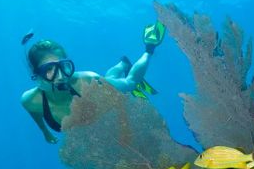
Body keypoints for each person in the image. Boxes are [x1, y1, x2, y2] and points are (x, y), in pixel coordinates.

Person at [20, 22, 166, 144]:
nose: (60, 76)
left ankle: (149, 49)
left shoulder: (87, 81)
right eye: (49, 69)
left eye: (64, 67)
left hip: (96, 89)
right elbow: (36, 114)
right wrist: (46, 133)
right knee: (109, 78)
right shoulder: (30, 100)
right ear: (36, 74)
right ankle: (122, 64)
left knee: (130, 83)